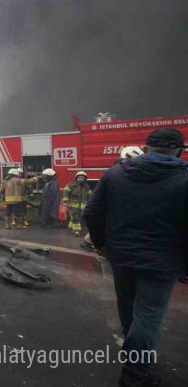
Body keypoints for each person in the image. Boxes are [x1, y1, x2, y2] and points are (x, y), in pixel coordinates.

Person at [84, 128, 188, 387]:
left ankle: (134, 357)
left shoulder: (115, 174)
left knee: (128, 310)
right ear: (180, 151)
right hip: (164, 262)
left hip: (120, 257)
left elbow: (92, 212)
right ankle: (134, 374)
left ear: (144, 148)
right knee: (148, 316)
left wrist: (100, 244)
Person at [63, 171, 91, 236]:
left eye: (82, 178)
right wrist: (65, 200)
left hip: (82, 206)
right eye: (79, 177)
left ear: (85, 179)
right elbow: (66, 192)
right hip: (72, 205)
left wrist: (91, 202)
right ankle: (77, 231)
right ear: (76, 178)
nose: (80, 179)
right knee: (76, 218)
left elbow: (90, 195)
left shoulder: (86, 186)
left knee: (79, 217)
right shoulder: (71, 185)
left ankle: (71, 225)